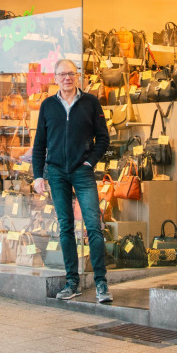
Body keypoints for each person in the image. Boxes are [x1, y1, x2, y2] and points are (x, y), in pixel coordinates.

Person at [32, 59, 113, 303]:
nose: (67, 77)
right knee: (65, 227)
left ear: (78, 76)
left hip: (82, 171)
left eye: (71, 73)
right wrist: (38, 175)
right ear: (55, 78)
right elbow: (39, 145)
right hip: (56, 172)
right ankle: (72, 282)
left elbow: (103, 138)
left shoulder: (90, 102)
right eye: (62, 74)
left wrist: (90, 162)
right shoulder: (47, 106)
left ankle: (101, 283)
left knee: (93, 226)